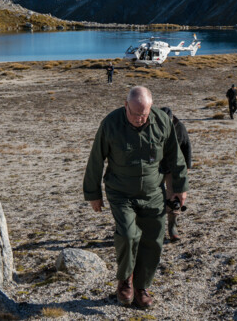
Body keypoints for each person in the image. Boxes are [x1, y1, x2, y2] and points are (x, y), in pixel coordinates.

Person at [83, 86, 188, 309]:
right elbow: (96, 158)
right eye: (134, 114)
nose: (139, 119)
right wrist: (93, 193)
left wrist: (179, 187)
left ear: (150, 108)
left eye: (144, 114)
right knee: (129, 235)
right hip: (121, 192)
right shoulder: (111, 124)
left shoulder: (161, 121)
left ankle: (141, 286)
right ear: (125, 105)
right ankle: (125, 280)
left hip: (152, 192)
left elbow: (176, 156)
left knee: (153, 239)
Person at [160, 107, 191, 241]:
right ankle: (154, 228)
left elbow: (186, 146)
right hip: (155, 168)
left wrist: (186, 168)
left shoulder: (179, 128)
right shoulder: (152, 126)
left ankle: (173, 227)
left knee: (175, 197)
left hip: (173, 169)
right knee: (152, 197)